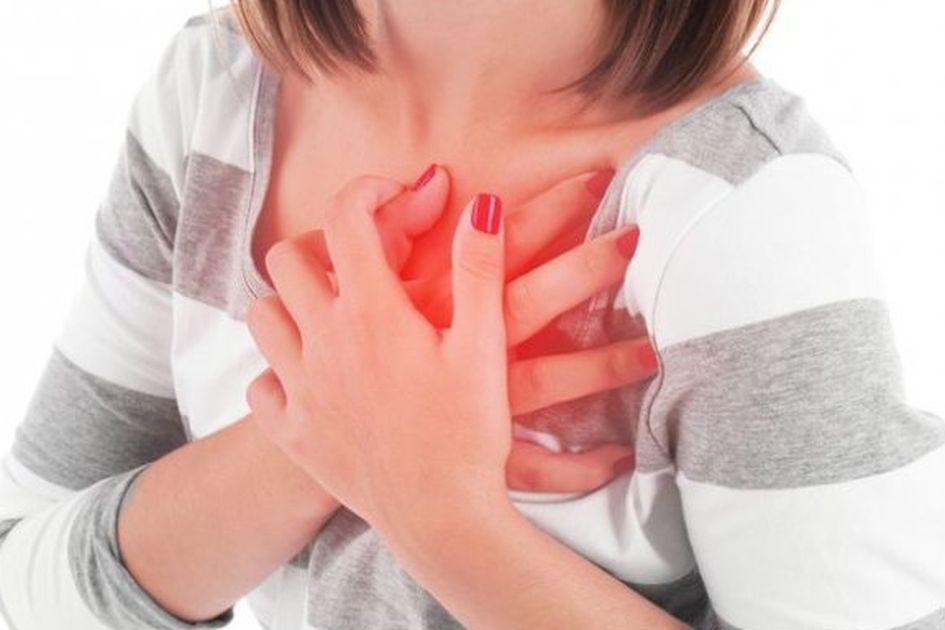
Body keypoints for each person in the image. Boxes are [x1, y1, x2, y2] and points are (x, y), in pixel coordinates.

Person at [2, 2, 943, 629]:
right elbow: (22, 583)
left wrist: (440, 516)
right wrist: (315, 436)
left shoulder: (735, 203)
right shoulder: (211, 93)